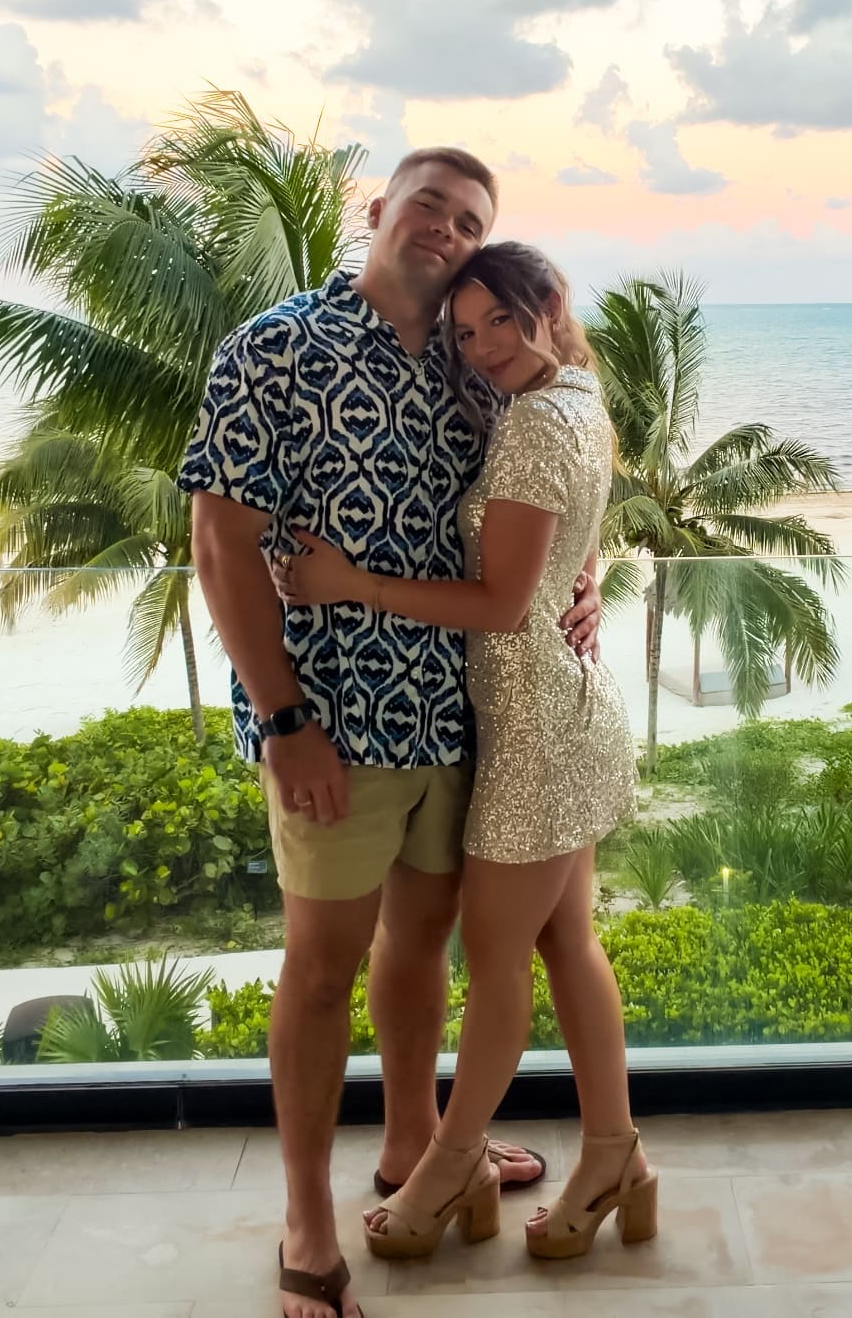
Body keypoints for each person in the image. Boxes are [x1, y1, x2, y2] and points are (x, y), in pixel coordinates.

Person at [178, 151, 601, 1318]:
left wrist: (586, 581)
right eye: (429, 205)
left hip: (463, 712)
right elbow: (220, 541)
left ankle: (414, 1139)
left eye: (469, 220)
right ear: (378, 210)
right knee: (321, 970)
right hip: (334, 718)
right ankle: (306, 1220)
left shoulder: (479, 363)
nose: (446, 230)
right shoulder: (276, 346)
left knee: (421, 948)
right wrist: (283, 718)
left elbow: (540, 502)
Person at [271, 240, 656, 1268]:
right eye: (467, 330)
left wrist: (351, 583)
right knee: (567, 945)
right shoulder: (578, 398)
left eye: (501, 322)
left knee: (495, 963)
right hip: (559, 710)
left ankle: (447, 1165)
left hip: (533, 730)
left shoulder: (531, 426)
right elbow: (569, 538)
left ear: (551, 304)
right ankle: (614, 1153)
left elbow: (497, 604)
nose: (483, 347)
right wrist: (582, 578)